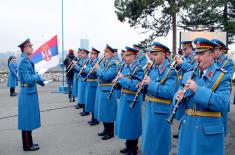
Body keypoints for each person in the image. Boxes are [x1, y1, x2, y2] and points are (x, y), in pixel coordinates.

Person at [175, 38, 231, 155]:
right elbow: (178, 93)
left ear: (211, 55)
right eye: (196, 54)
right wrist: (177, 97)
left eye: (201, 54)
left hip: (207, 134)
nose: (197, 58)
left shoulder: (222, 76)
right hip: (187, 129)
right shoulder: (189, 74)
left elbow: (223, 104)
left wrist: (197, 89)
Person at [141, 42, 177, 155]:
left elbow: (169, 92)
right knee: (150, 141)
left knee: (159, 143)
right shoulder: (152, 69)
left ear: (163, 55)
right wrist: (143, 86)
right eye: (152, 54)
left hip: (161, 111)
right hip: (150, 108)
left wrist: (150, 84)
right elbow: (149, 87)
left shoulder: (171, 71)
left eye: (155, 54)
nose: (152, 57)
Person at [17, 39, 46, 151]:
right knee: (26, 120)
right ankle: (27, 145)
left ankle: (29, 143)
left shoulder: (26, 60)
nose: (32, 48)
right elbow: (29, 79)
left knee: (28, 119)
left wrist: (42, 82)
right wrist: (38, 75)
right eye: (30, 46)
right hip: (27, 93)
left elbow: (32, 75)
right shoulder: (24, 61)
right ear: (24, 48)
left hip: (29, 92)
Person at [115, 46, 144, 155]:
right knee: (127, 124)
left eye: (127, 55)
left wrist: (122, 79)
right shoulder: (125, 67)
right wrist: (118, 83)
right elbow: (124, 82)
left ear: (133, 56)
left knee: (132, 124)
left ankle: (133, 148)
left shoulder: (139, 69)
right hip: (124, 98)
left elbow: (134, 86)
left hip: (133, 100)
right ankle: (128, 146)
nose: (124, 57)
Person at [94, 44, 118, 140]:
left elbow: (107, 76)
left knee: (108, 112)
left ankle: (110, 132)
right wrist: (98, 70)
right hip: (101, 89)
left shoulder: (113, 64)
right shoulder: (104, 62)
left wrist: (98, 69)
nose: (105, 54)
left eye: (107, 52)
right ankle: (105, 129)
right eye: (105, 52)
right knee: (103, 111)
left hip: (108, 90)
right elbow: (100, 74)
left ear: (112, 53)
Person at [211, 39, 234, 136]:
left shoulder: (227, 62)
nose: (213, 52)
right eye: (211, 49)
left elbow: (226, 77)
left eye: (215, 49)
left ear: (221, 50)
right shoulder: (210, 60)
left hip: (221, 94)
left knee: (221, 124)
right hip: (210, 93)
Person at [83, 47, 101, 126]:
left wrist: (85, 68)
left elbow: (92, 73)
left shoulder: (97, 62)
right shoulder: (91, 61)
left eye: (93, 54)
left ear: (96, 55)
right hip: (90, 83)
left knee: (93, 102)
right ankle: (93, 118)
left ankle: (95, 119)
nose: (91, 55)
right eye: (91, 54)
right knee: (90, 101)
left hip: (94, 84)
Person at [73, 49, 90, 116]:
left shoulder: (86, 60)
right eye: (81, 53)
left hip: (84, 80)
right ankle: (83, 108)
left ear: (86, 54)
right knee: (81, 95)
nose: (81, 54)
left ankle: (85, 110)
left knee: (84, 95)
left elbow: (83, 70)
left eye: (83, 53)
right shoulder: (82, 59)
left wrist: (76, 66)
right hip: (81, 79)